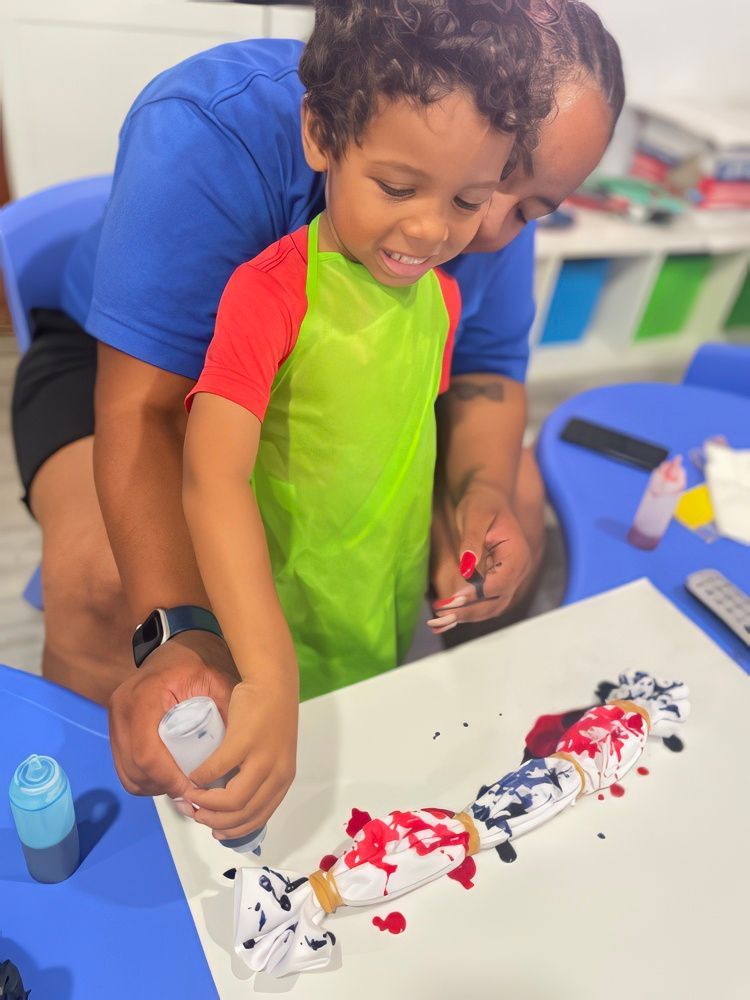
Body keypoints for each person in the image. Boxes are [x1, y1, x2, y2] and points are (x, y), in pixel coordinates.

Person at [9, 1, 623, 837]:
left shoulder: (466, 197)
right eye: (409, 186)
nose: (471, 233)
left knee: (519, 515)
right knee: (105, 582)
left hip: (360, 378)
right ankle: (105, 821)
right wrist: (182, 631)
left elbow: (483, 374)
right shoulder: (211, 129)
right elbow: (148, 412)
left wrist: (479, 495)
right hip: (134, 366)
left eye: (524, 206)